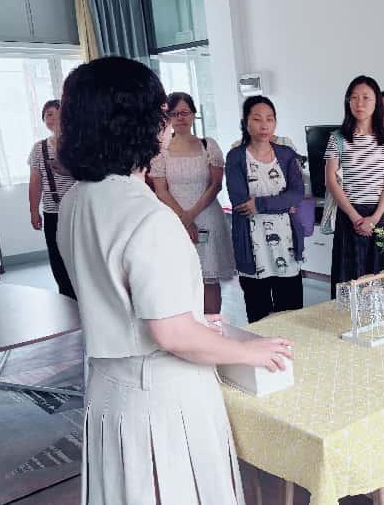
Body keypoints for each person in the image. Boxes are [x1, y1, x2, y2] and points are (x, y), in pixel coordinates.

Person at [56, 56, 293, 505]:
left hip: (108, 390)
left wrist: (196, 321)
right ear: (138, 122)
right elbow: (171, 334)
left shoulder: (77, 200)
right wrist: (251, 351)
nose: (167, 126)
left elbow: (121, 298)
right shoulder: (147, 216)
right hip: (161, 400)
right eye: (161, 113)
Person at [150, 92, 236, 314]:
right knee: (181, 279)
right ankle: (189, 328)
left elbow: (216, 185)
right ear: (168, 117)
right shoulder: (160, 152)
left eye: (185, 112)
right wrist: (184, 219)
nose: (180, 118)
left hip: (208, 217)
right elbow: (161, 190)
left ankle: (213, 325)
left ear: (193, 114)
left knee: (209, 279)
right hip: (174, 220)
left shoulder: (208, 145)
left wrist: (191, 215)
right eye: (174, 113)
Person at [226, 96, 305, 322]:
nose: (264, 125)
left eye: (269, 119)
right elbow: (241, 202)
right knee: (259, 316)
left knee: (292, 315)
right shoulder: (236, 157)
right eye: (257, 119)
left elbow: (297, 193)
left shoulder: (286, 154)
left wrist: (260, 204)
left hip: (286, 245)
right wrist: (283, 204)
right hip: (252, 247)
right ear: (246, 122)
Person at [325, 76, 384, 297]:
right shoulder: (337, 139)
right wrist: (355, 217)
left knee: (382, 281)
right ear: (347, 102)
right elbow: (331, 181)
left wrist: (374, 218)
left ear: (376, 102)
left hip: (380, 217)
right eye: (354, 98)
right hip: (350, 216)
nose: (360, 103)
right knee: (349, 281)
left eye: (366, 98)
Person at [28, 100, 76, 299]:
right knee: (57, 259)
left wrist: (68, 170)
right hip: (52, 212)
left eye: (59, 113)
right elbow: (35, 181)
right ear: (43, 120)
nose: (54, 118)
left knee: (81, 256)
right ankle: (66, 299)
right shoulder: (38, 148)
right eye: (49, 114)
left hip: (78, 210)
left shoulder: (79, 144)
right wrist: (33, 211)